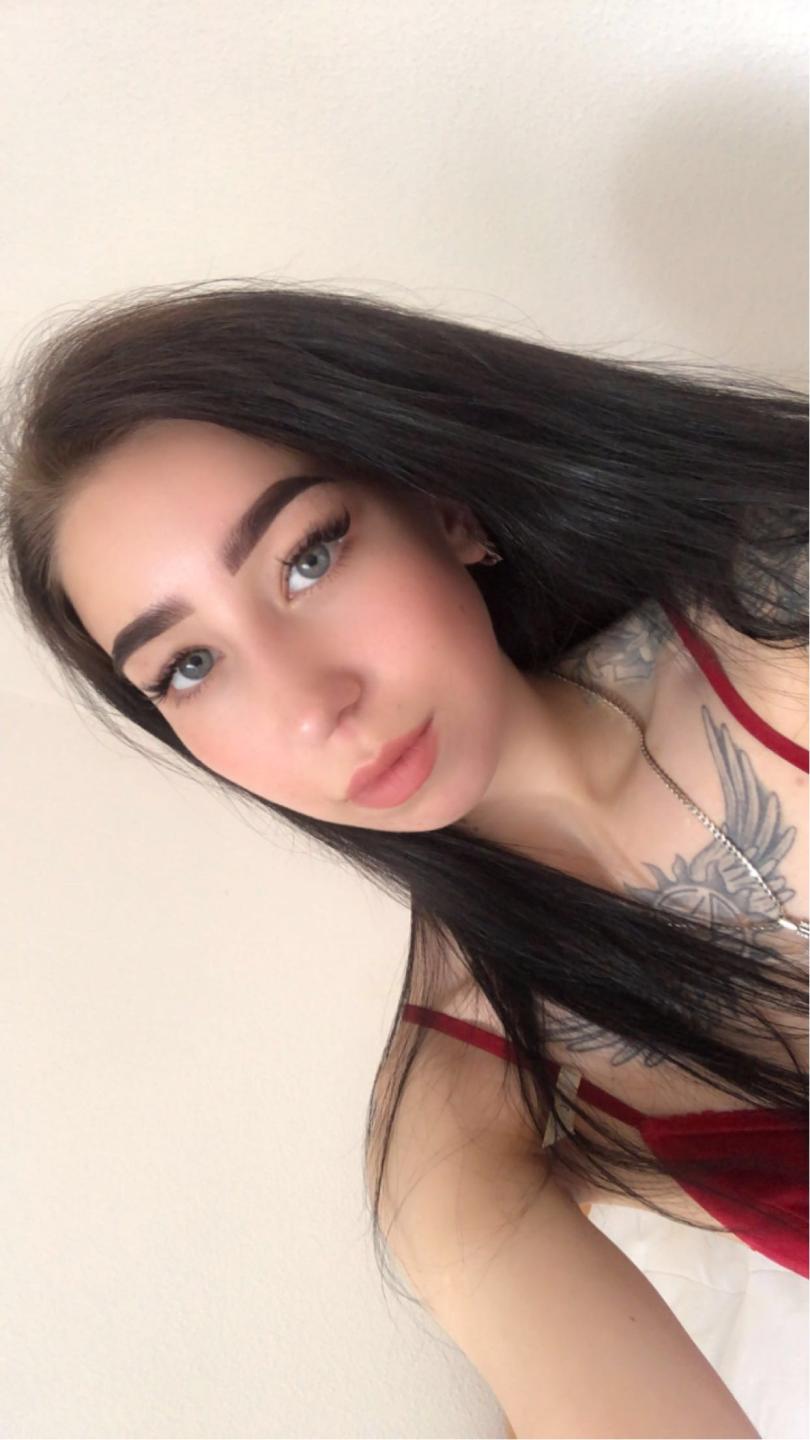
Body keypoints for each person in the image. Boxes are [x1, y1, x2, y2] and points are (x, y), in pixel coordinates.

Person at [1, 280, 806, 1436]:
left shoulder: (778, 616)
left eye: (308, 558)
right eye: (189, 667)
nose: (310, 703)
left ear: (447, 512)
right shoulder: (459, 1108)